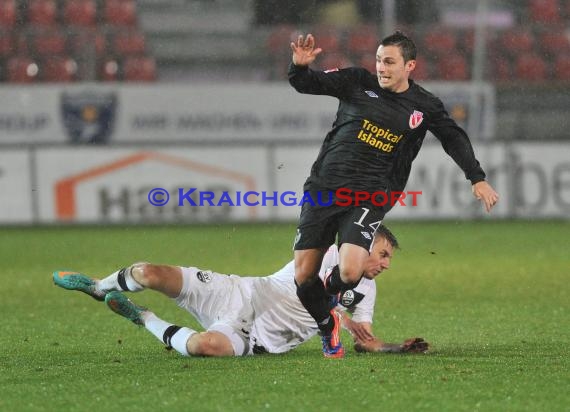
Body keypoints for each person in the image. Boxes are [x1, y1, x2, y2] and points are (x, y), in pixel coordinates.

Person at [288, 31, 499, 358]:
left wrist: (477, 177)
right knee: (303, 277)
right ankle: (328, 324)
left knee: (350, 270)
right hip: (324, 189)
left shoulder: (424, 105)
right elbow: (306, 83)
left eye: (389, 61)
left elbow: (453, 138)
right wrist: (299, 68)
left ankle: (329, 296)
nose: (381, 67)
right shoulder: (357, 81)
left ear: (409, 65)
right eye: (378, 60)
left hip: (370, 195)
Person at [53, 225, 428, 357]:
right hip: (241, 292)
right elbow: (307, 285)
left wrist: (397, 347)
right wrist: (336, 314)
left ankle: (143, 317)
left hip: (254, 339)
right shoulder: (328, 253)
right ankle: (99, 287)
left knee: (204, 347)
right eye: (382, 254)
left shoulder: (366, 292)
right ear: (361, 246)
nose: (386, 264)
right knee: (150, 273)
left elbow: (365, 339)